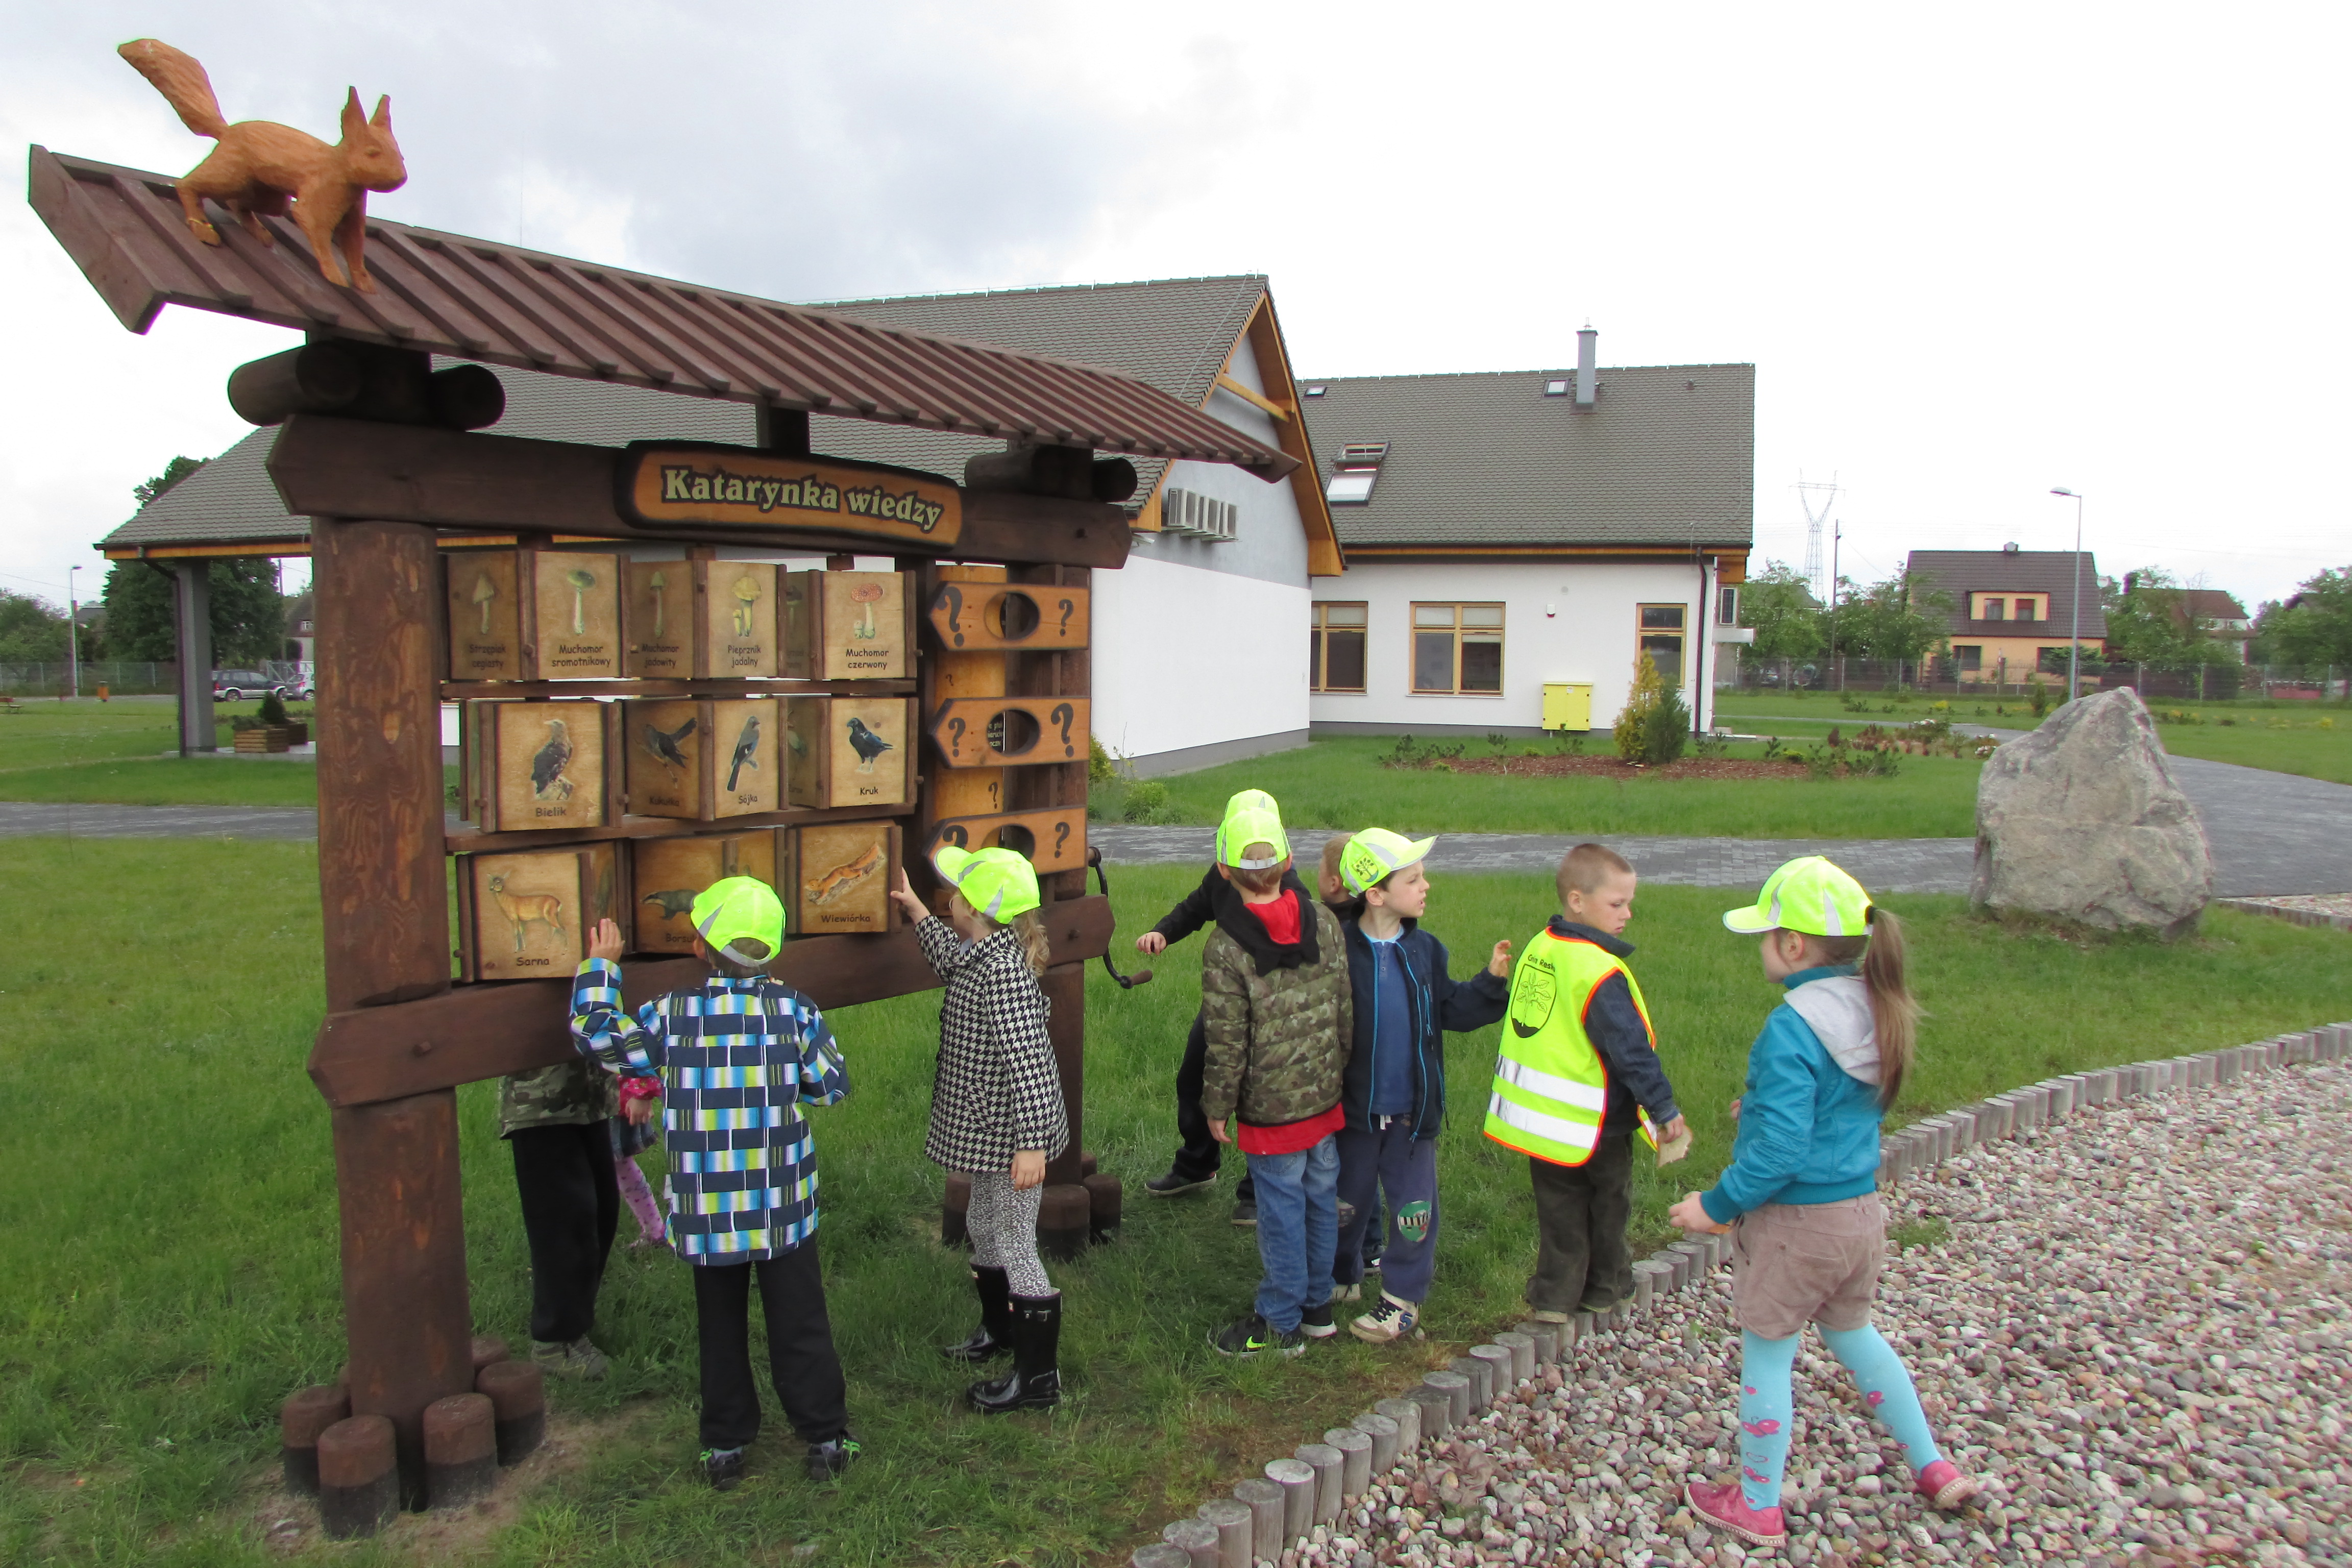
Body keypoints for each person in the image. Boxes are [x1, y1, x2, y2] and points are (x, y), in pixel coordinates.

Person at [1669, 857, 1979, 1546]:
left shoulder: (1792, 1027)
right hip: (1860, 1218)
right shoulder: (1875, 1006)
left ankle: (1756, 1504)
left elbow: (1779, 1156)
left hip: (1798, 1228)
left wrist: (1716, 1205)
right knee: (1858, 1339)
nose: (1761, 945)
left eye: (1765, 933)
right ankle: (1930, 1463)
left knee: (1769, 1355)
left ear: (1793, 946)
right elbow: (1836, 1108)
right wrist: (1762, 1106)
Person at [570, 878, 860, 1490]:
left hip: (708, 1209)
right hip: (782, 1204)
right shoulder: (794, 1011)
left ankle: (724, 1446)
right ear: (772, 951)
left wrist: (601, 968)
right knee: (801, 1320)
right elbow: (831, 1086)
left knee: (719, 1325)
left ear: (701, 946)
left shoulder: (671, 1016)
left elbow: (597, 1034)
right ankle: (827, 1437)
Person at [888, 847, 1070, 1414]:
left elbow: (1032, 1062)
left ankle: (1039, 1379)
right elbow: (950, 960)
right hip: (992, 1129)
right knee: (980, 1223)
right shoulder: (983, 952)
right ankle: (1001, 1330)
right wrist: (917, 910)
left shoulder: (1004, 976)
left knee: (1017, 1242)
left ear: (971, 908)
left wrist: (1034, 1144)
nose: (951, 899)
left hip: (1015, 1135)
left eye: (955, 894)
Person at [1486, 843, 1686, 1325]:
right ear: (1578, 901)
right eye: (1617, 904)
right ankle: (1605, 1288)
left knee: (1558, 1208)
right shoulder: (1597, 970)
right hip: (1600, 1121)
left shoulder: (1541, 946)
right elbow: (1629, 1050)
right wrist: (1663, 1108)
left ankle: (1555, 1297)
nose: (1628, 914)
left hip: (1542, 1121)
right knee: (1609, 1204)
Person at [1328, 829, 1512, 1343]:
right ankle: (1343, 1273)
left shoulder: (1426, 950)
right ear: (1376, 894)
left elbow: (1450, 1009)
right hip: (1353, 1114)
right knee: (1345, 1203)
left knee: (1414, 1209)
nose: (1427, 885)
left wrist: (1490, 983)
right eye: (1414, 879)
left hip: (1412, 1116)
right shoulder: (1338, 949)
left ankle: (1402, 1299)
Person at [1197, 802, 1354, 1356]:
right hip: (1324, 1096)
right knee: (1319, 1197)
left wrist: (1215, 1106)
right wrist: (1340, 1069)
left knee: (1282, 1212)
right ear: (1288, 860)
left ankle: (1281, 1321)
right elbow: (1343, 1006)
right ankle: (1317, 1307)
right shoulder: (1328, 921)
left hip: (1271, 1113)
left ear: (1223, 870)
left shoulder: (1224, 946)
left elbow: (1226, 1041)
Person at [1135, 789, 1305, 1227]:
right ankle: (1196, 1165)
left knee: (1258, 1096)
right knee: (1194, 1078)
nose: (1257, 860)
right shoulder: (1220, 878)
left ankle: (1255, 1191)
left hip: (1274, 1016)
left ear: (1283, 856)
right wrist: (1162, 933)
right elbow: (1194, 909)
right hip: (1224, 1005)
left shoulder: (1296, 893)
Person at [498, 1058, 620, 1378]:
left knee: (600, 1214)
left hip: (588, 1097)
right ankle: (553, 1342)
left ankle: (575, 1327)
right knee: (563, 1224)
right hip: (540, 1104)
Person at [614, 1078, 667, 1249]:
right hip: (590, 1099)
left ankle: (655, 1231)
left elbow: (635, 1054)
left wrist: (641, 1093)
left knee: (619, 1164)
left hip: (615, 1099)